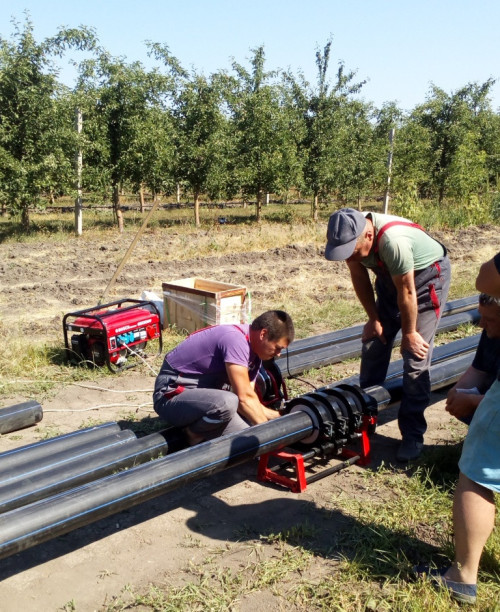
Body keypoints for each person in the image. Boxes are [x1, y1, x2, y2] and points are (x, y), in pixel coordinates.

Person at [324, 208, 451, 461]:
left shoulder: (393, 241)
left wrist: (410, 333)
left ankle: (413, 434)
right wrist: (374, 319)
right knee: (373, 343)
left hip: (426, 282)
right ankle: (365, 420)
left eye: (354, 251)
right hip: (389, 277)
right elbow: (359, 278)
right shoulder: (350, 234)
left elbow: (407, 291)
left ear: (368, 236)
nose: (351, 257)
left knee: (415, 359)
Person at [417, 253, 500, 604]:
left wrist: (478, 406)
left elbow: (487, 276)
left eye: (491, 320)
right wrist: (458, 394)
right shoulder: (493, 327)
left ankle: (462, 576)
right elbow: (480, 369)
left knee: (477, 473)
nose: (485, 326)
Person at [153, 310, 295, 445]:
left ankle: (203, 427)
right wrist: (272, 433)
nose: (278, 354)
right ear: (263, 334)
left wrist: (280, 417)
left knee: (248, 440)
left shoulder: (255, 355)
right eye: (278, 347)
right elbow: (243, 398)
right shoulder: (235, 340)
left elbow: (250, 402)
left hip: (205, 400)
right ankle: (191, 435)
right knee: (228, 402)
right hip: (169, 396)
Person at [445, 293, 500, 425]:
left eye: (489, 319)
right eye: (481, 315)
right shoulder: (492, 332)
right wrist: (456, 392)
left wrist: (471, 401)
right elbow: (479, 370)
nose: (481, 324)